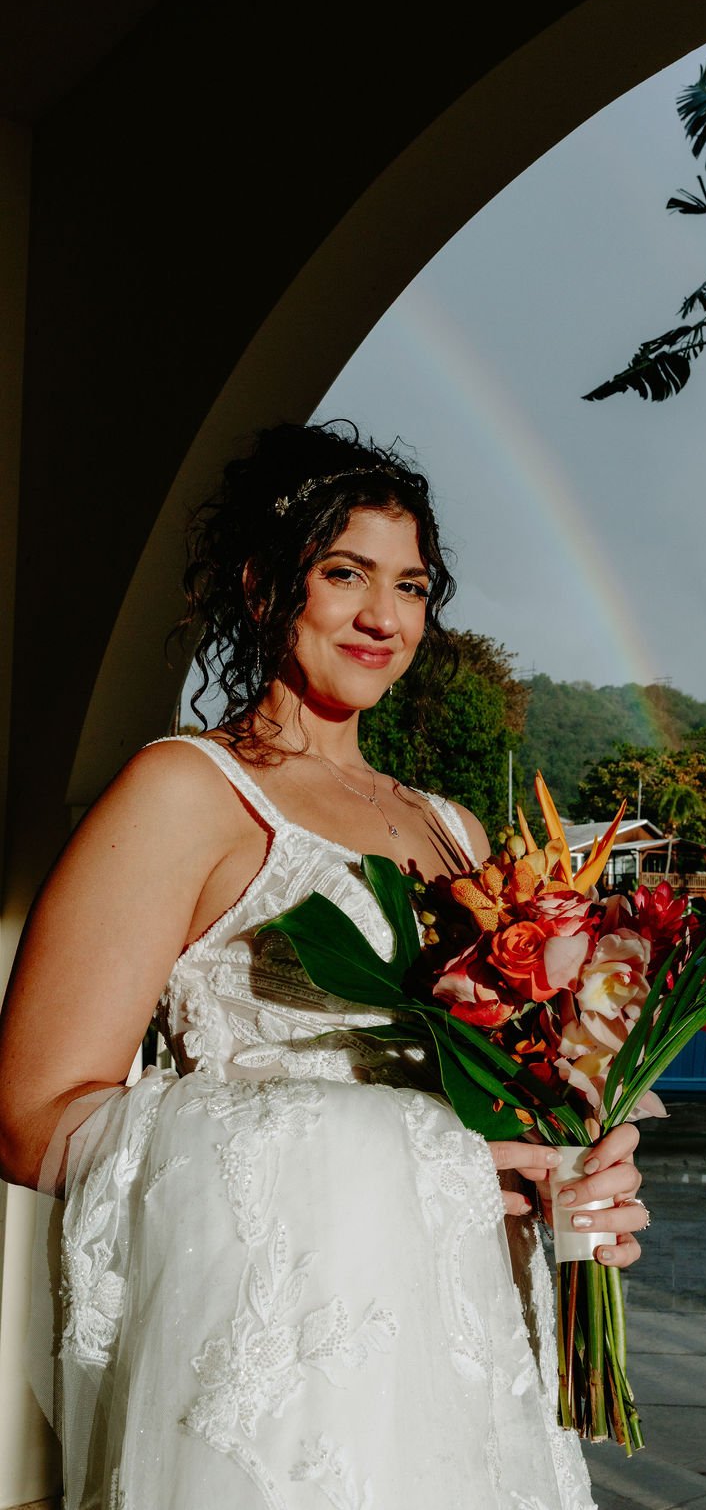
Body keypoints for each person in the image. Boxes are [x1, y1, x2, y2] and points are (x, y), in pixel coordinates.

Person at [0, 421, 647, 1510]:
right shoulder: (187, 790)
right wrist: (429, 1158)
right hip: (293, 1348)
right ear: (264, 586)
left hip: (461, 1329)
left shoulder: (455, 833)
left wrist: (573, 1175)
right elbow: (32, 1114)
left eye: (412, 584)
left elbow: (501, 1104)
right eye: (344, 573)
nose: (384, 617)